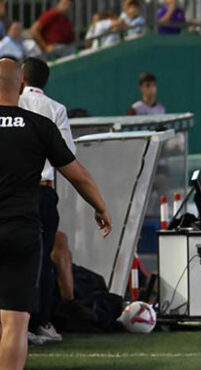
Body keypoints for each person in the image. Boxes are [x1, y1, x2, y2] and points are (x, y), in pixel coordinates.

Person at [0, 58, 112, 370]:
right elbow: (79, 175)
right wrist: (100, 207)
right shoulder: (40, 125)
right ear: (21, 86)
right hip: (23, 231)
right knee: (15, 324)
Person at [17, 57, 75, 345]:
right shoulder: (56, 109)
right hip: (42, 189)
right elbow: (65, 155)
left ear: (22, 79)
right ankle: (41, 322)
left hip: (12, 191)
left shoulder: (10, 105)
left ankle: (15, 324)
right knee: (42, 259)